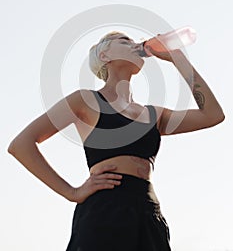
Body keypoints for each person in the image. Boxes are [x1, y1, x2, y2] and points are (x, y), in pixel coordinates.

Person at [8, 30, 225, 251]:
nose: (134, 44)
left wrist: (178, 59)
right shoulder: (85, 100)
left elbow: (212, 115)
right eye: (124, 41)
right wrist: (71, 192)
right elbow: (21, 145)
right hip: (105, 209)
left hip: (148, 211)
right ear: (104, 56)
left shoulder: (154, 115)